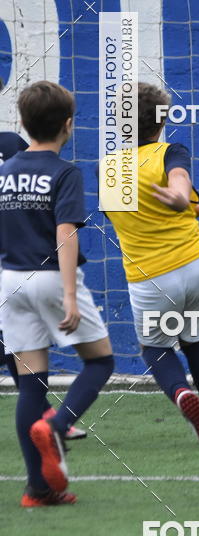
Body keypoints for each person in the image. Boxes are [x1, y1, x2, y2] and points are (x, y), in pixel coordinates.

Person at [102, 82, 199, 447]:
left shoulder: (109, 171)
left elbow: (144, 207)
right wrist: (192, 202)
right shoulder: (171, 151)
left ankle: (182, 394)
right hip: (195, 263)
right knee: (195, 338)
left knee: (157, 349)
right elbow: (176, 180)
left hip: (151, 277)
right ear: (162, 122)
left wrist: (183, 197)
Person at [0, 81, 114, 507]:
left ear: (23, 124)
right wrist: (69, 293)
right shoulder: (65, 172)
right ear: (68, 125)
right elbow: (65, 232)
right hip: (49, 276)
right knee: (100, 360)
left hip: (10, 281)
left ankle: (37, 490)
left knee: (30, 386)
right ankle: (57, 424)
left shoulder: (7, 169)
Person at [0, 80, 85, 440]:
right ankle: (48, 420)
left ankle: (43, 416)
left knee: (13, 340)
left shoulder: (9, 145)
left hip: (13, 261)